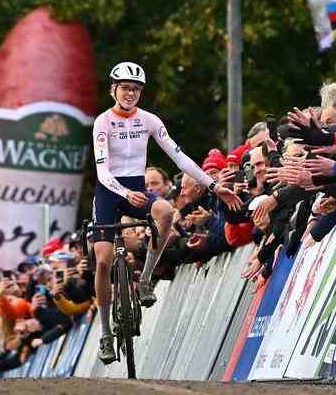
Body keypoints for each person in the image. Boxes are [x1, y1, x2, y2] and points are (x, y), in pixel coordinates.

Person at [91, 61, 242, 363]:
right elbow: (102, 170)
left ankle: (145, 279)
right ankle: (106, 334)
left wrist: (214, 186)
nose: (130, 93)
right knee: (104, 261)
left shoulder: (149, 120)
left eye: (135, 89)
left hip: (137, 187)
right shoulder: (103, 123)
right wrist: (124, 193)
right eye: (125, 88)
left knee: (166, 212)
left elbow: (179, 157)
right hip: (110, 192)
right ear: (113, 90)